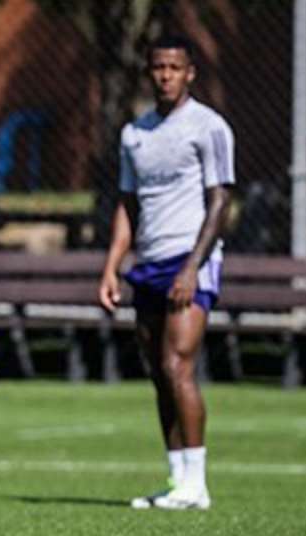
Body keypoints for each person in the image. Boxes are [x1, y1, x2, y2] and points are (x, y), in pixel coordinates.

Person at [98, 34, 235, 511]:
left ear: (190, 72)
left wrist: (193, 267)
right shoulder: (135, 133)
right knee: (158, 371)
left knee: (178, 366)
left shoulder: (208, 127)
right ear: (148, 72)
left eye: (175, 68)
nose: (166, 75)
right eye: (158, 67)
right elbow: (128, 205)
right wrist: (113, 267)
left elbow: (221, 201)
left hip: (189, 258)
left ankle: (197, 483)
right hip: (149, 263)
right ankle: (178, 481)